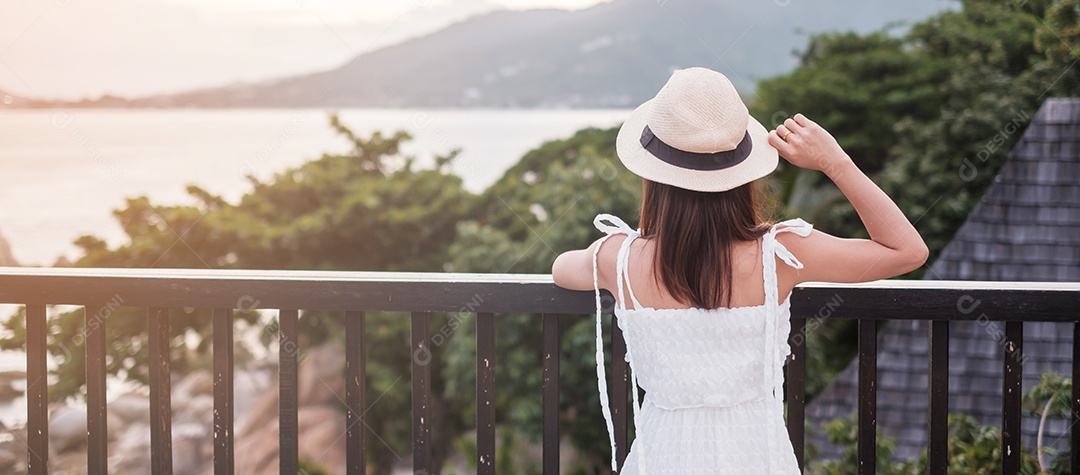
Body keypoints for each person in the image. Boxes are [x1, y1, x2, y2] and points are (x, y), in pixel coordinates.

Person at [551, 67, 928, 474]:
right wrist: (836, 163)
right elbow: (907, 250)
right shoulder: (782, 254)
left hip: (663, 455)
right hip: (758, 453)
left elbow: (560, 269)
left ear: (655, 175)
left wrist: (642, 240)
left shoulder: (618, 259)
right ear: (742, 171)